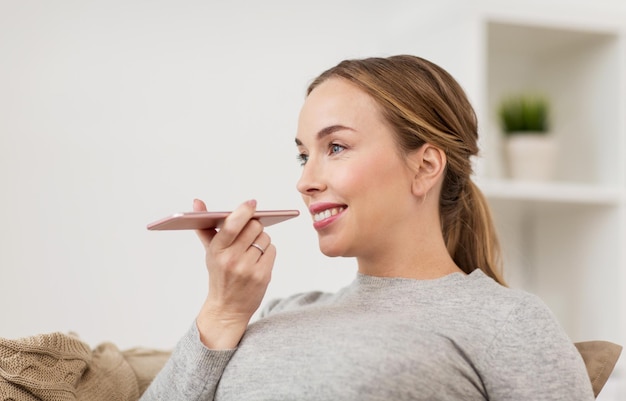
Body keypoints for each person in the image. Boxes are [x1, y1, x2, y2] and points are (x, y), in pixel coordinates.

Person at [140, 55, 594, 400]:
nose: (305, 181)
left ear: (425, 165)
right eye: (303, 155)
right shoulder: (277, 312)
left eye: (336, 147)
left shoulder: (507, 322)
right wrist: (223, 311)